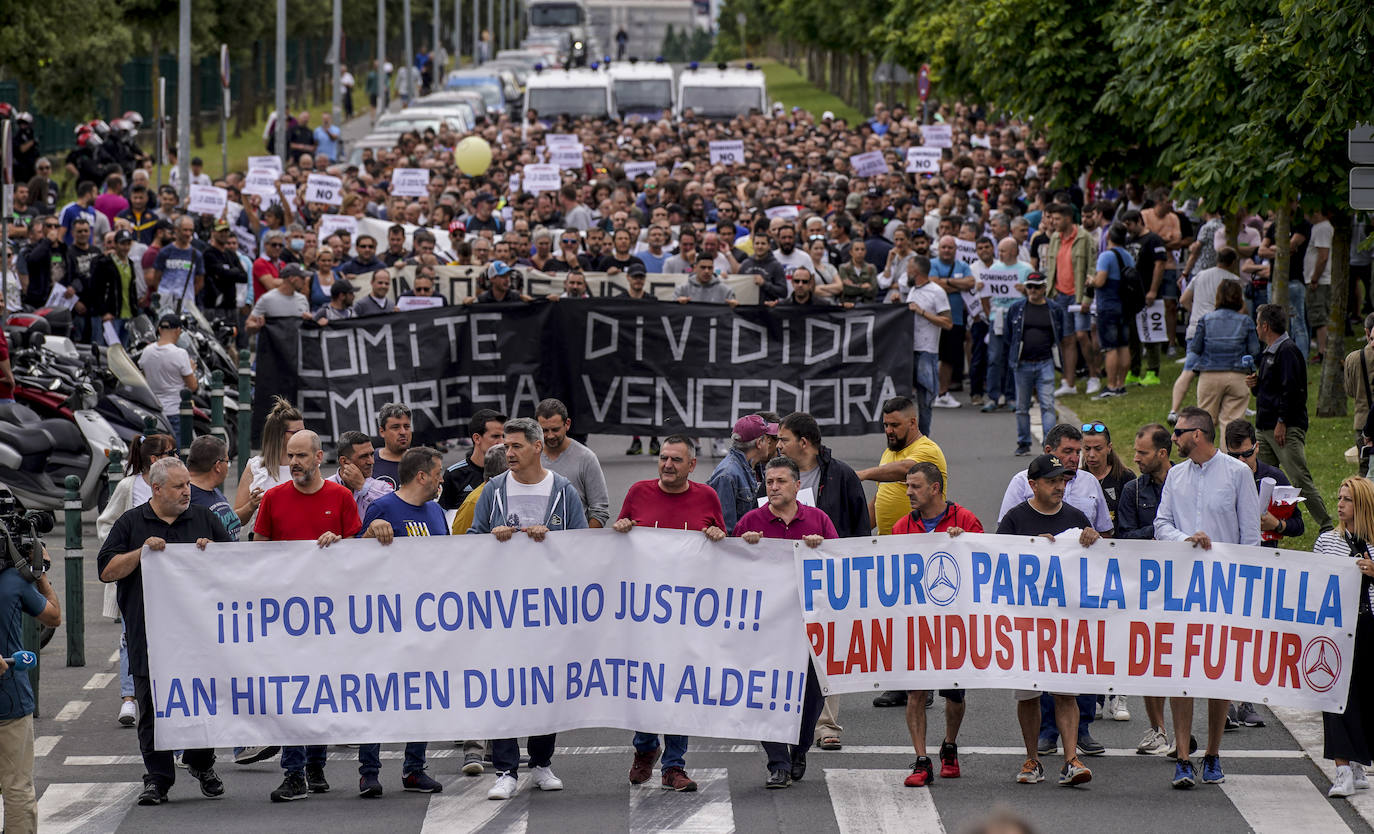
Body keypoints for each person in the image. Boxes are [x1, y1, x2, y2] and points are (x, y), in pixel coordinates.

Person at [468, 418, 588, 800]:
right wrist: (492, 537)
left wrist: (553, 539)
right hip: (503, 608)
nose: (509, 453)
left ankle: (541, 762)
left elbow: (583, 544)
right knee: (504, 686)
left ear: (538, 447)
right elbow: (471, 542)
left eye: (517, 446)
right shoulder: (494, 490)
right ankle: (505, 768)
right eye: (506, 446)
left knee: (544, 686)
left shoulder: (562, 489)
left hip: (549, 609)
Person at [99, 457, 229, 807]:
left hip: (198, 636)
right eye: (178, 486)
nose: (187, 491)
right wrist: (141, 553)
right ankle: (157, 778)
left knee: (200, 701)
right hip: (149, 635)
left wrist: (213, 554)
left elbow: (236, 567)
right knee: (152, 708)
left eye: (188, 484)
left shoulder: (204, 518)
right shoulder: (131, 522)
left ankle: (201, 764)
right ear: (156, 489)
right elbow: (107, 571)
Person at [1154, 406, 1261, 789]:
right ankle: (1183, 757)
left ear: (1197, 434)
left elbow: (1250, 536)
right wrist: (1184, 539)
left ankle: (1213, 753)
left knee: (1218, 673)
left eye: (1178, 432)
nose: (1174, 438)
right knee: (1181, 672)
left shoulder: (1237, 474)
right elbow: (1161, 524)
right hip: (1182, 587)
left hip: (1224, 588)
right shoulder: (1176, 476)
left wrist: (1248, 589)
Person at [613, 435, 727, 793]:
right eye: (663, 458)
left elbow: (724, 547)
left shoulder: (707, 497)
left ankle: (674, 766)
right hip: (645, 614)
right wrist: (622, 530)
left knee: (680, 688)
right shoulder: (638, 493)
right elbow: (616, 544)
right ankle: (645, 747)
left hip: (688, 614)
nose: (667, 465)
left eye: (676, 460)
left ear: (691, 465)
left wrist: (716, 534)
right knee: (647, 684)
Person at [253, 430, 362, 801]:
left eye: (301, 455)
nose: (294, 462)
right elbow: (258, 551)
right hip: (287, 614)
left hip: (332, 614)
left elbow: (359, 555)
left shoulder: (341, 497)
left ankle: (315, 765)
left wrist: (341, 544)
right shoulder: (273, 498)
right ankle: (295, 772)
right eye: (290, 456)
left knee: (320, 689)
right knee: (293, 691)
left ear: (319, 458)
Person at [997, 453, 1102, 788]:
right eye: (1052, 481)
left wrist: (1094, 541)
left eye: (1063, 480)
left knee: (1065, 691)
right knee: (1028, 694)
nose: (1060, 486)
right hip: (1025, 622)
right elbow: (996, 562)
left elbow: (1097, 567)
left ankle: (1071, 759)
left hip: (1064, 622)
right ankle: (1033, 758)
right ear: (1033, 484)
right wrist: (1029, 549)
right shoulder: (1015, 519)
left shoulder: (1076, 516)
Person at [352, 447, 447, 797]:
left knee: (420, 694)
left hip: (425, 621)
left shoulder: (436, 511)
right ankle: (369, 772)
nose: (441, 479)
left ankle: (414, 769)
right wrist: (368, 531)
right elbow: (356, 561)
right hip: (386, 622)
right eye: (437, 472)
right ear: (422, 475)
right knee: (378, 694)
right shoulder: (383, 508)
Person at [735, 456, 834, 789]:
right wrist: (744, 547)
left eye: (780, 481)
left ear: (797, 485)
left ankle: (800, 748)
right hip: (767, 625)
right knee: (765, 692)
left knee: (811, 694)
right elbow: (728, 570)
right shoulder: (751, 520)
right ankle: (777, 762)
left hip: (809, 623)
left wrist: (822, 550)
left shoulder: (818, 520)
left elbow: (841, 563)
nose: (773, 487)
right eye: (769, 481)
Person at [774, 411, 867, 749]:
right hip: (784, 577)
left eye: (784, 439)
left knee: (825, 649)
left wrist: (854, 570)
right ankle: (784, 719)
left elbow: (858, 525)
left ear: (804, 442)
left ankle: (827, 726)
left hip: (828, 577)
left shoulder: (840, 475)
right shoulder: (775, 475)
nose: (778, 445)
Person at [890, 461, 980, 787]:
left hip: (955, 623)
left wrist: (966, 541)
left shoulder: (965, 519)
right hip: (917, 624)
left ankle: (949, 746)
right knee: (916, 691)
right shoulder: (902, 526)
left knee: (954, 695)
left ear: (934, 488)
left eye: (914, 486)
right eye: (907, 486)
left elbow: (986, 562)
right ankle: (921, 760)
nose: (909, 492)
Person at [856, 396, 948, 708]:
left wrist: (865, 473)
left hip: (920, 549)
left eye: (895, 424)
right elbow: (882, 500)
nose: (889, 430)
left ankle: (924, 684)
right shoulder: (890, 451)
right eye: (885, 425)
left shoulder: (926, 450)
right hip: (890, 549)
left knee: (919, 619)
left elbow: (907, 470)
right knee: (894, 619)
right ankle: (901, 682)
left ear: (913, 422)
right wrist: (854, 531)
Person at [96, 433, 178, 728]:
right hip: (135, 574)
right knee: (129, 635)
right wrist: (129, 550)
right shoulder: (128, 486)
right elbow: (107, 522)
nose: (178, 456)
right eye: (172, 452)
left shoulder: (178, 486)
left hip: (170, 578)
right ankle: (129, 698)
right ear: (155, 459)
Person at [1115, 423, 1176, 755]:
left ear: (1162, 454)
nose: (1136, 458)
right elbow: (1123, 538)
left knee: (1180, 660)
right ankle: (1158, 730)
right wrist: (1159, 532)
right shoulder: (1133, 491)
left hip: (1184, 586)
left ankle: (1180, 731)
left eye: (1143, 453)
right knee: (1149, 659)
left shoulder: (1186, 484)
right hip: (1147, 587)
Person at [0, 505, 58, 831]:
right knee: (17, 787)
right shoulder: (13, 582)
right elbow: (53, 616)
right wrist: (39, 573)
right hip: (10, 698)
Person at [1250, 303, 1333, 532]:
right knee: (1263, 482)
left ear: (1266, 326)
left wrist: (1282, 422)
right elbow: (1271, 392)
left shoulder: (1287, 351)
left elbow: (1293, 391)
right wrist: (1256, 386)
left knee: (1299, 480)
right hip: (1264, 428)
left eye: (1258, 323)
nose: (1256, 327)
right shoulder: (1269, 352)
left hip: (1282, 429)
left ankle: (1327, 526)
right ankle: (1263, 526)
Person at [1317, 477, 1374, 798]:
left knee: (1362, 697)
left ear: (1362, 504)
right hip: (1337, 630)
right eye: (1339, 498)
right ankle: (1341, 768)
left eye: (1347, 499)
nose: (1340, 504)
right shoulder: (1327, 541)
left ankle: (1356, 763)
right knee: (1334, 695)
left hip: (1369, 627)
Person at [999, 423, 1113, 535]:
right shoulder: (1021, 482)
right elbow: (1006, 538)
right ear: (1048, 451)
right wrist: (1036, 542)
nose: (1075, 458)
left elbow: (1104, 533)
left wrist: (1094, 538)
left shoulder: (1090, 482)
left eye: (1078, 452)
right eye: (1067, 451)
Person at [1191, 280, 1259, 436]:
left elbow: (1195, 348)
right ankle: (1230, 459)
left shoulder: (1206, 320)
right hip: (1237, 376)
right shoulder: (1245, 321)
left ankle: (1202, 460)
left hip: (1209, 375)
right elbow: (1254, 350)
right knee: (1232, 427)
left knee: (1204, 426)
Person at [1006, 273, 1059, 455]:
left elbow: (1062, 336)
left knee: (1048, 405)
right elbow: (1008, 335)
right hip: (1022, 364)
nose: (1033, 291)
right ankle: (1023, 443)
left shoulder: (1054, 309)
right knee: (1021, 406)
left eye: (1037, 287)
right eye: (1029, 287)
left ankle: (1049, 445)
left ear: (1044, 288)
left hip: (1045, 362)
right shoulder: (1017, 308)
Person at [536, 398, 609, 527]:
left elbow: (599, 510)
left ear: (567, 424)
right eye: (544, 431)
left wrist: (584, 539)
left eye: (555, 429)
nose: (550, 436)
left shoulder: (586, 458)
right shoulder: (531, 456)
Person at [234, 396, 301, 533]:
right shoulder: (255, 467)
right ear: (279, 435)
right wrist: (251, 505)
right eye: (296, 433)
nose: (303, 436)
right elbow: (236, 519)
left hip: (298, 540)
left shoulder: (309, 465)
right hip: (262, 543)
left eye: (304, 431)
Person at [905, 255, 954, 432]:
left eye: (908, 269)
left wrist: (922, 312)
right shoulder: (913, 290)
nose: (906, 272)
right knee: (906, 401)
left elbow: (948, 323)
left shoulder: (937, 291)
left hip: (927, 351)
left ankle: (924, 440)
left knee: (925, 400)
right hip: (909, 350)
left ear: (916, 272)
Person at [707, 414, 774, 535]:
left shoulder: (756, 466)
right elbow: (725, 531)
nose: (770, 443)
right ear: (759, 443)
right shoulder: (727, 476)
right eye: (767, 438)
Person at [1088, 223, 1133, 398]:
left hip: (1108, 305)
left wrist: (1091, 280)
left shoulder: (1106, 256)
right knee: (1123, 345)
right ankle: (1121, 384)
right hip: (1124, 306)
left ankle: (1111, 385)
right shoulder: (1128, 256)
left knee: (1110, 347)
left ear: (1108, 237)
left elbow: (1100, 281)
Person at [138, 313, 197, 440]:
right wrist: (191, 370)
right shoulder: (180, 354)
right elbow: (192, 386)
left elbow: (142, 379)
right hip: (175, 411)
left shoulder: (147, 351)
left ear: (159, 330)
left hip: (154, 412)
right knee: (177, 454)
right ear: (178, 331)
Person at [440, 409, 507, 511]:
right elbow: (442, 515)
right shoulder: (454, 474)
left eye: (504, 436)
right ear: (477, 438)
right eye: (495, 436)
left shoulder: (512, 472)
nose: (502, 442)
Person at [325, 431, 395, 520]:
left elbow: (395, 510)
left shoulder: (382, 487)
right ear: (344, 461)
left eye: (372, 454)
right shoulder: (325, 487)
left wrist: (363, 487)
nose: (371, 461)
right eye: (364, 456)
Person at [1344, 312, 1374, 475]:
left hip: (1362, 421)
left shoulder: (1353, 358)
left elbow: (1350, 391)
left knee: (1364, 471)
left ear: (1366, 332)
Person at [372, 402, 412, 488]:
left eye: (406, 426)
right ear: (382, 431)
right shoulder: (369, 461)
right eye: (395, 427)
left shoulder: (422, 461)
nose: (403, 432)